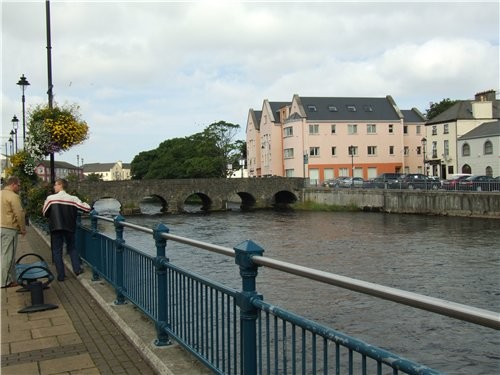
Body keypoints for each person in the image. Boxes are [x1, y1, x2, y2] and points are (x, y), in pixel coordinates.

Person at [42, 178, 91, 281]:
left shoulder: (51, 198)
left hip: (55, 227)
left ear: (60, 185)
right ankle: (77, 269)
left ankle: (61, 275)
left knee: (56, 251)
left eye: (55, 185)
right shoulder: (73, 199)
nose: (54, 187)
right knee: (72, 248)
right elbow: (86, 208)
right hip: (69, 227)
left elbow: (45, 212)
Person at [1, 176, 26, 288]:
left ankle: (11, 279)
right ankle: (4, 281)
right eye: (19, 185)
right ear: (13, 184)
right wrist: (23, 229)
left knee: (3, 254)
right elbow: (19, 214)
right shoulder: (13, 196)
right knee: (8, 256)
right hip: (9, 228)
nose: (19, 187)